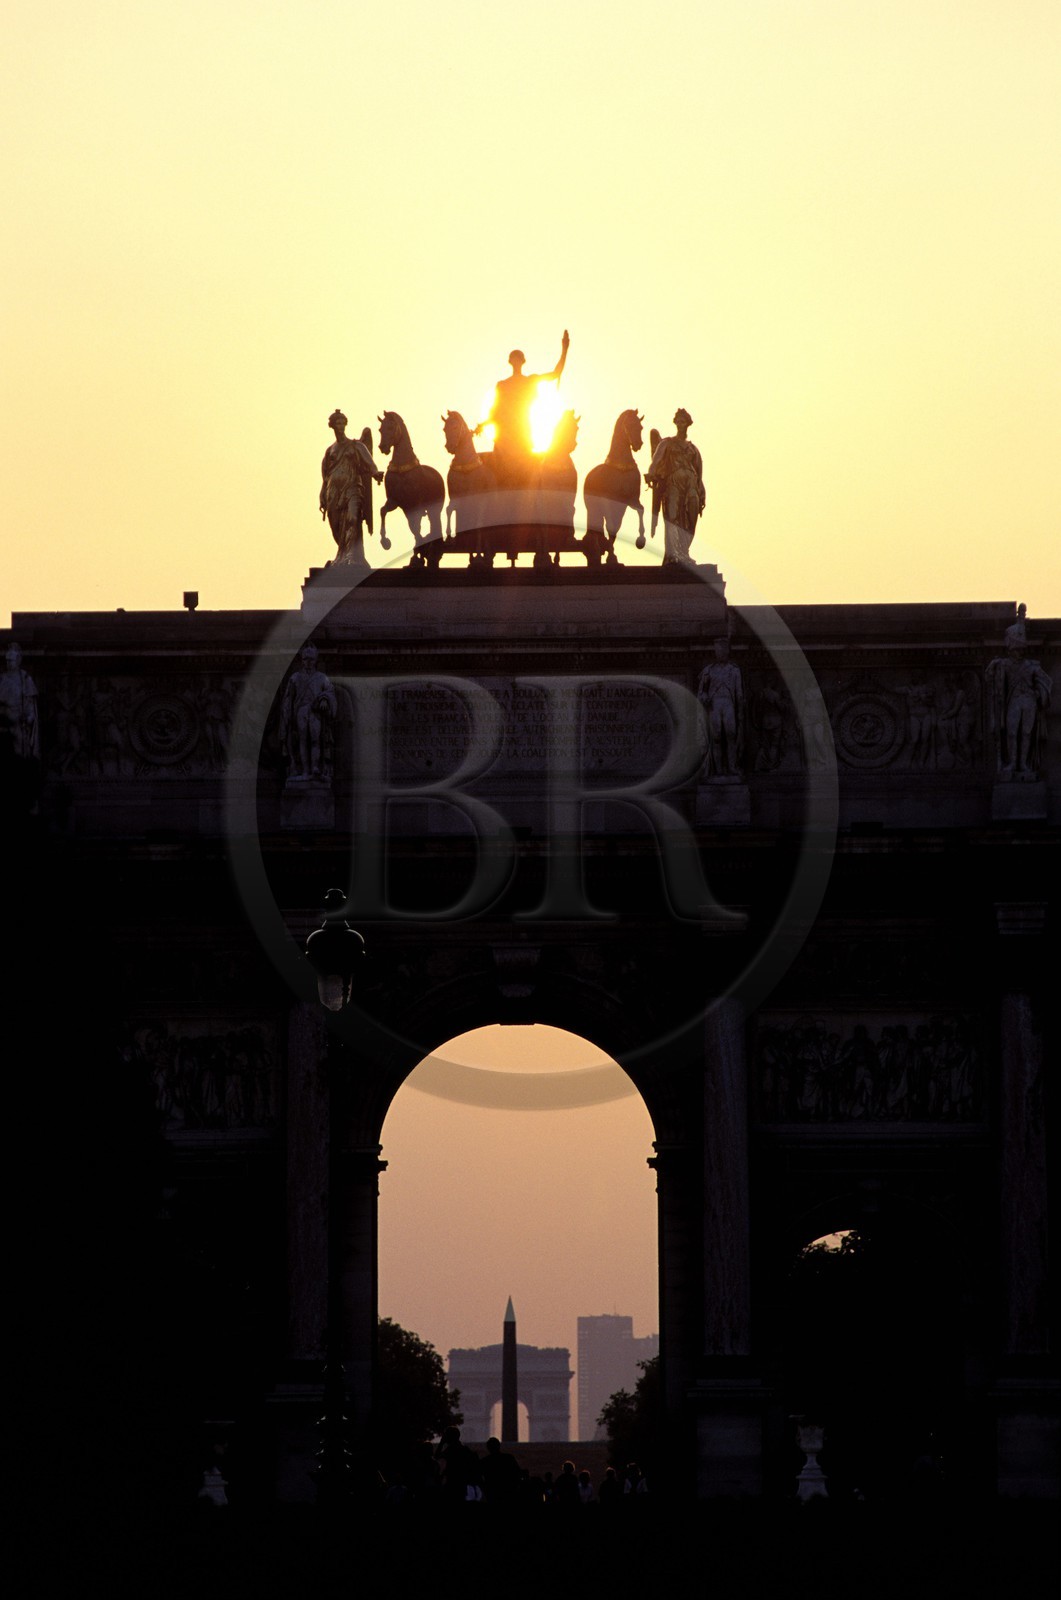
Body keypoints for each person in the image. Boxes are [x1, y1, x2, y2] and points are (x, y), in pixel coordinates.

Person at [479, 331, 570, 481]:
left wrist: (564, 350)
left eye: (518, 359)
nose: (516, 362)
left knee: (533, 468)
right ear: (511, 362)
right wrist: (483, 424)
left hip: (522, 433)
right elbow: (495, 411)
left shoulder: (530, 380)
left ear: (522, 362)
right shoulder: (502, 385)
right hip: (503, 436)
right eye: (514, 359)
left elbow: (555, 373)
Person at [319, 409, 383, 565]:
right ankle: (342, 556)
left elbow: (370, 463)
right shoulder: (330, 451)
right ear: (332, 426)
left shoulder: (357, 445)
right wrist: (322, 494)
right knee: (336, 525)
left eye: (342, 423)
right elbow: (325, 476)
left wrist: (375, 473)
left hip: (353, 488)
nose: (340, 426)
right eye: (337, 423)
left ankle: (352, 556)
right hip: (333, 492)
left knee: (353, 519)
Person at [644, 408, 705, 564]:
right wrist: (651, 473)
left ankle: (684, 552)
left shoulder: (693, 449)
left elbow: (699, 472)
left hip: (691, 486)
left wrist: (702, 492)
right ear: (675, 423)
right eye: (678, 421)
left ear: (688, 424)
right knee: (672, 518)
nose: (680, 424)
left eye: (683, 421)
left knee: (691, 519)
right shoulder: (667, 443)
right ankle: (673, 554)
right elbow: (656, 461)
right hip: (673, 485)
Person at [279, 643, 337, 781]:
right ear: (301, 660)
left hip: (315, 711)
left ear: (316, 660)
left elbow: (330, 692)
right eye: (306, 659)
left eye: (311, 659)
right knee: (303, 740)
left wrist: (325, 699)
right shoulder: (294, 678)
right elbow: (288, 699)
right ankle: (305, 771)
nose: (308, 662)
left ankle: (315, 767)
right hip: (301, 711)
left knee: (316, 739)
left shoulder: (322, 678)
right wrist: (286, 717)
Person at [697, 637, 745, 777]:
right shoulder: (708, 671)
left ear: (728, 651)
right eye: (718, 650)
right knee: (716, 737)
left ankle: (732, 767)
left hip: (729, 704)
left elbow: (739, 693)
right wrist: (704, 697)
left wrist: (740, 712)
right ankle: (718, 770)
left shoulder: (734, 670)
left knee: (731, 734)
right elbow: (702, 693)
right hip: (714, 705)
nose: (721, 653)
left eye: (724, 650)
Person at [0, 643, 39, 760]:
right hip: (3, 723)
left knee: (19, 756)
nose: (9, 663)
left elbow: (30, 703)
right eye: (7, 660)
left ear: (18, 660)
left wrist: (29, 717)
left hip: (19, 723)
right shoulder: (1, 679)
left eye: (11, 660)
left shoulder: (25, 679)